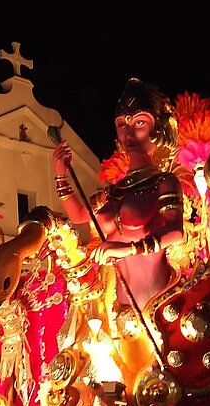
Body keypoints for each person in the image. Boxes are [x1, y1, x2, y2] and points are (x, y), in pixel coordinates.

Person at [51, 76, 185, 373]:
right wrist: (61, 175)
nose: (129, 132)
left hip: (158, 312)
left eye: (139, 123)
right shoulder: (115, 191)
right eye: (122, 125)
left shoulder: (164, 181)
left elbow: (175, 233)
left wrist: (126, 249)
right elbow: (78, 215)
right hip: (119, 314)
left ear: (157, 129)